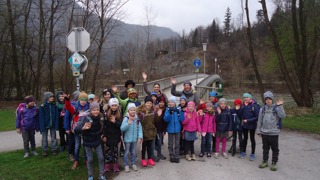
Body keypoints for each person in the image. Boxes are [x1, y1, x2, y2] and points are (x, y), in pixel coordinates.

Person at [74, 102, 106, 180]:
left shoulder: (101, 117)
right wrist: (83, 128)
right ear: (91, 111)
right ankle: (90, 175)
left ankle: (101, 174)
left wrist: (103, 135)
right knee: (90, 159)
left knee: (101, 158)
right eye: (94, 110)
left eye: (97, 110)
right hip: (87, 142)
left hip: (97, 140)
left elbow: (103, 128)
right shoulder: (86, 118)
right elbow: (76, 130)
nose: (96, 112)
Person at [256, 91, 286, 171]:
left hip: (274, 132)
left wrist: (280, 106)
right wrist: (258, 130)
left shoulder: (276, 108)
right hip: (264, 132)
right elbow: (259, 120)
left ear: (272, 99)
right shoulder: (262, 109)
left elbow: (282, 115)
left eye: (269, 99)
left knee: (275, 149)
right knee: (265, 148)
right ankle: (265, 161)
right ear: (265, 100)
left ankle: (274, 162)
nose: (268, 100)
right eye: (266, 99)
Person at [64, 91, 90, 169]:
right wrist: (67, 100)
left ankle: (86, 160)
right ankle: (76, 160)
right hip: (77, 129)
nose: (83, 102)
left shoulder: (89, 107)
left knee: (85, 146)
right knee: (77, 146)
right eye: (81, 100)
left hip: (85, 129)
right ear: (79, 100)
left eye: (85, 100)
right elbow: (68, 108)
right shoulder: (75, 107)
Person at [237, 93, 260, 161]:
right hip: (245, 125)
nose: (245, 98)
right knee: (245, 138)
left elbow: (257, 117)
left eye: (247, 97)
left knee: (252, 139)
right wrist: (239, 109)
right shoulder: (243, 105)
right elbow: (240, 115)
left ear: (250, 98)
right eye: (244, 97)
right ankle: (243, 152)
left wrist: (248, 120)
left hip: (252, 125)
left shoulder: (255, 105)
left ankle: (252, 154)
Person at [120, 103, 143, 173]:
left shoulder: (137, 119)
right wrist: (128, 124)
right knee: (126, 152)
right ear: (128, 111)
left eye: (134, 110)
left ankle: (133, 163)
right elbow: (122, 128)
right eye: (131, 110)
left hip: (134, 139)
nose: (132, 111)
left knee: (133, 152)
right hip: (127, 139)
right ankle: (126, 165)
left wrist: (140, 137)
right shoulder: (126, 119)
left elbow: (140, 129)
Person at [102, 98, 122, 173]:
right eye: (112, 105)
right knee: (107, 151)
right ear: (110, 106)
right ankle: (107, 165)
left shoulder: (119, 114)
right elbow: (104, 126)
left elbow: (121, 125)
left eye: (115, 105)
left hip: (116, 136)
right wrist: (104, 135)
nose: (114, 107)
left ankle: (115, 165)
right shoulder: (106, 114)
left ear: (117, 106)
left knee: (115, 151)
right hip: (108, 136)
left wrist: (115, 122)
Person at [164, 96, 185, 163]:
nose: (171, 103)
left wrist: (180, 113)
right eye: (169, 102)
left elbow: (181, 119)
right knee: (170, 143)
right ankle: (171, 155)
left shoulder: (178, 109)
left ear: (175, 103)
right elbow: (165, 120)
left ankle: (176, 156)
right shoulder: (167, 110)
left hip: (177, 129)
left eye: (172, 102)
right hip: (170, 129)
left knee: (177, 143)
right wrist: (170, 113)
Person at [137, 96, 157, 167]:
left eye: (150, 103)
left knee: (149, 146)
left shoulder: (153, 111)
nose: (149, 104)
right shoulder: (141, 112)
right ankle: (143, 159)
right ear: (145, 103)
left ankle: (149, 159)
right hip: (143, 132)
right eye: (147, 103)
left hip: (151, 131)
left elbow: (155, 121)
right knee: (143, 147)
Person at [39, 92, 59, 157]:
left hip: (52, 124)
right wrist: (42, 127)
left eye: (53, 97)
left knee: (53, 137)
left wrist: (56, 125)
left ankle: (54, 149)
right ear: (47, 98)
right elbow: (41, 118)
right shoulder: (42, 106)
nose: (52, 98)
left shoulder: (54, 105)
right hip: (45, 125)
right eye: (50, 97)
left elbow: (56, 116)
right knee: (44, 138)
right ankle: (44, 150)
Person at [64, 91, 79, 162]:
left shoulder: (80, 105)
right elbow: (66, 117)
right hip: (71, 127)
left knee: (77, 142)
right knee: (71, 141)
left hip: (78, 127)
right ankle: (71, 154)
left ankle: (75, 154)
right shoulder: (71, 105)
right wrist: (67, 128)